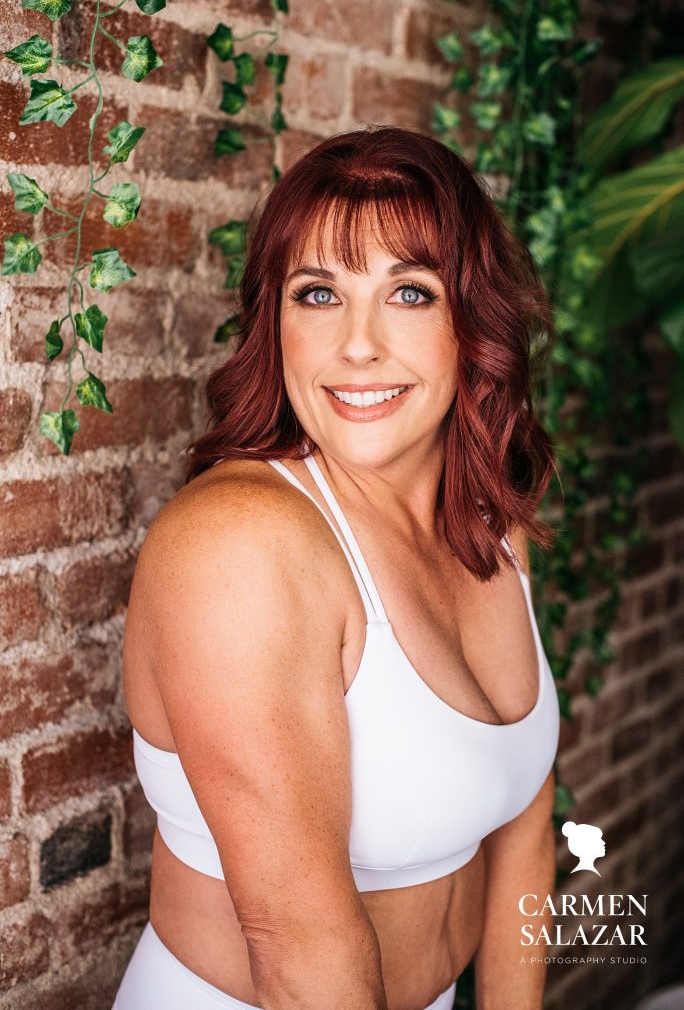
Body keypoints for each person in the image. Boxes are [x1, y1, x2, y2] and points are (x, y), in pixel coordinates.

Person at [113, 125, 561, 1010]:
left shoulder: (490, 524)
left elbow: (526, 836)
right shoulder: (240, 543)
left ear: (474, 323)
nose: (358, 345)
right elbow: (300, 949)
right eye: (320, 294)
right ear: (275, 319)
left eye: (410, 293)